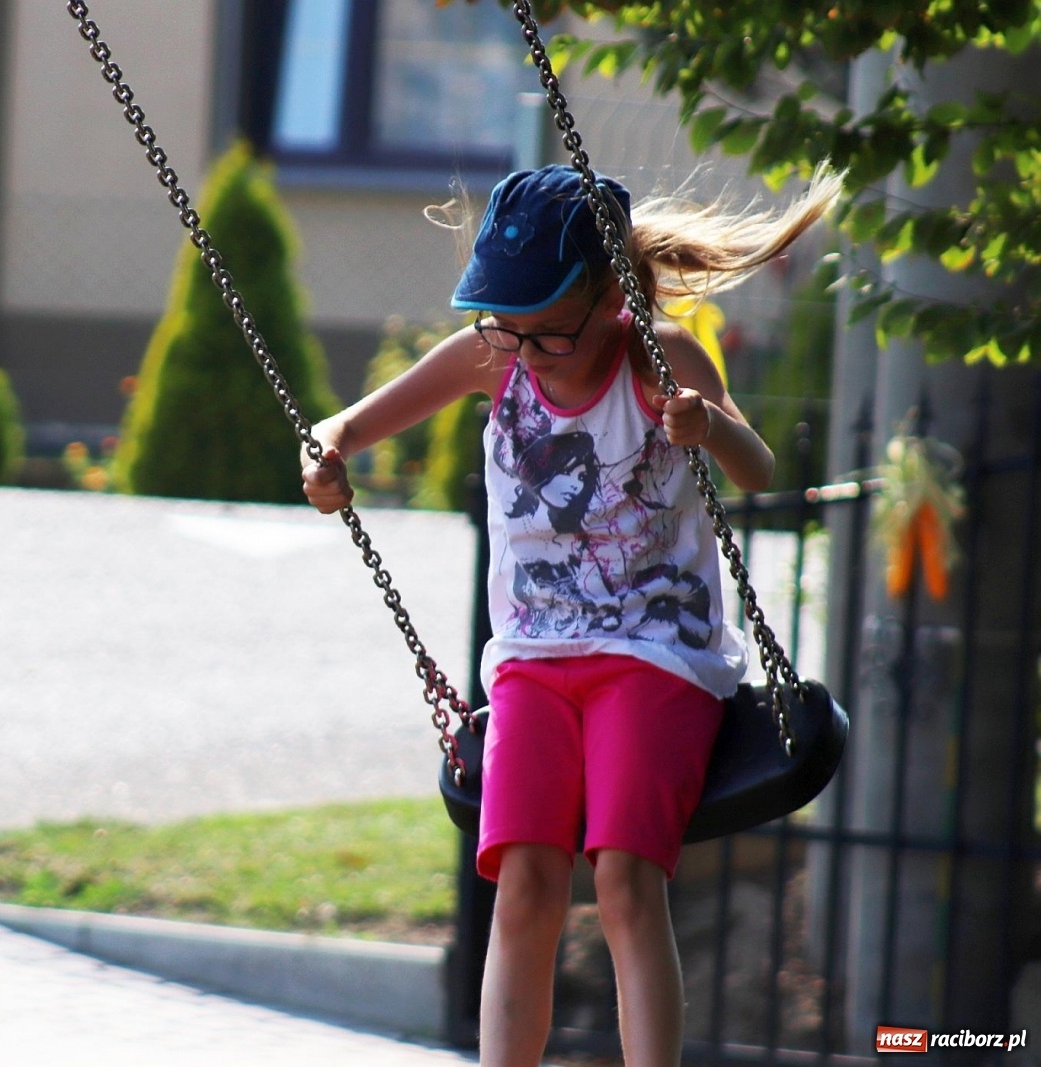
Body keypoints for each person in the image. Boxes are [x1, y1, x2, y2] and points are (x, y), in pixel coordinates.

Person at [301, 163, 842, 1067]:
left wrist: (707, 426)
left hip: (654, 654)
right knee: (524, 885)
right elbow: (340, 427)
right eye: (503, 328)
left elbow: (757, 470)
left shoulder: (660, 355)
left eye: (546, 335)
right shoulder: (496, 354)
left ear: (607, 296)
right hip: (530, 661)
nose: (520, 352)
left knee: (627, 881)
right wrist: (324, 461)